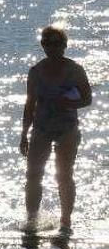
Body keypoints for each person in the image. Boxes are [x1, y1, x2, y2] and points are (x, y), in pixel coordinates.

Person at [19, 26, 91, 235]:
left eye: (57, 43)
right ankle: (32, 220)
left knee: (64, 175)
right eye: (48, 43)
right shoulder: (36, 71)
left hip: (67, 128)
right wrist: (24, 133)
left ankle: (65, 221)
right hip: (41, 128)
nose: (52, 47)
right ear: (43, 46)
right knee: (33, 174)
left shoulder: (75, 69)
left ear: (64, 46)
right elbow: (29, 104)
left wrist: (68, 103)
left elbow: (87, 99)